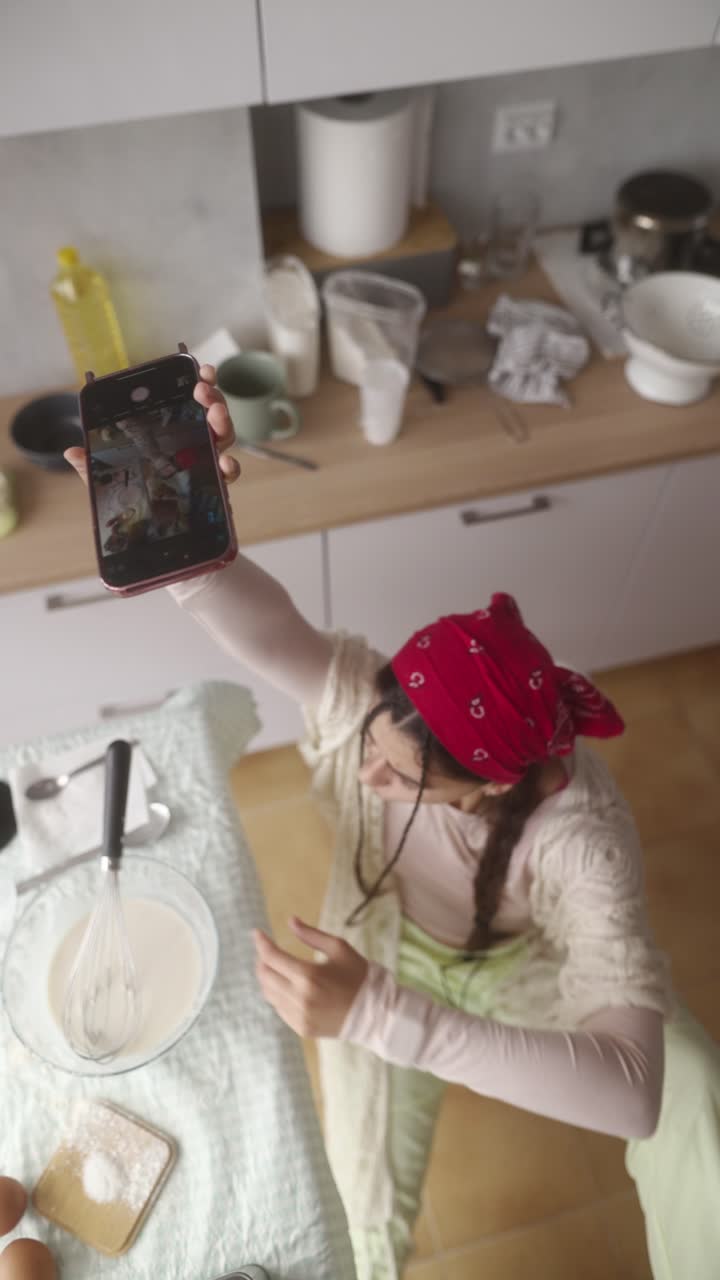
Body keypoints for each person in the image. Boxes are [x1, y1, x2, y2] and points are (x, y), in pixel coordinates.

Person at [65, 368, 720, 1280]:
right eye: (371, 740)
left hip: (518, 967)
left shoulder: (583, 835)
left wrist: (381, 1016)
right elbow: (263, 624)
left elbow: (634, 1096)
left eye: (400, 778)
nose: (363, 777)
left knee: (697, 1095)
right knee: (363, 1215)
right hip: (384, 946)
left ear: (487, 790)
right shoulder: (375, 705)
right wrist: (184, 532)